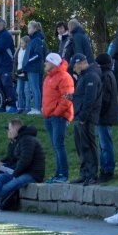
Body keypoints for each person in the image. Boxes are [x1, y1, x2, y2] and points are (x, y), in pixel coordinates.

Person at [42, 53, 74, 183]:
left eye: (47, 61)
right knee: (55, 145)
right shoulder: (48, 77)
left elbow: (67, 98)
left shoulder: (64, 77)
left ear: (54, 63)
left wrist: (56, 112)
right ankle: (58, 173)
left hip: (58, 116)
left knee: (59, 145)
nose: (44, 64)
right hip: (49, 116)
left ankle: (64, 174)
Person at [70, 53, 102, 185]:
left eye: (75, 65)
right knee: (81, 147)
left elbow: (90, 99)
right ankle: (84, 173)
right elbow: (83, 96)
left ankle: (92, 174)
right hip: (80, 116)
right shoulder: (84, 76)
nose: (74, 69)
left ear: (82, 63)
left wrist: (83, 117)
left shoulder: (91, 76)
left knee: (88, 145)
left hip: (86, 118)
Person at [94, 53, 118, 183]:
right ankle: (104, 169)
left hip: (104, 116)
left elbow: (105, 98)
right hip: (105, 115)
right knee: (103, 144)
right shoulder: (108, 75)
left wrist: (98, 111)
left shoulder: (106, 76)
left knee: (105, 144)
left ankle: (108, 170)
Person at [23, 20, 45, 114]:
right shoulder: (33, 39)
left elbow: (38, 54)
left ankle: (37, 108)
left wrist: (27, 62)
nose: (28, 29)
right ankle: (37, 107)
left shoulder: (37, 40)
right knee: (35, 88)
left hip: (34, 68)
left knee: (35, 88)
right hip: (32, 67)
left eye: (29, 27)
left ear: (35, 28)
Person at [15, 35, 30, 113]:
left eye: (23, 43)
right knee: (19, 90)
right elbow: (16, 61)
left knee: (26, 91)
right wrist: (15, 71)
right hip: (19, 73)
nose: (21, 45)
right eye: (20, 43)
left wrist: (24, 71)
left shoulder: (28, 51)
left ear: (27, 43)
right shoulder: (19, 50)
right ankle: (20, 106)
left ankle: (27, 107)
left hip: (26, 73)